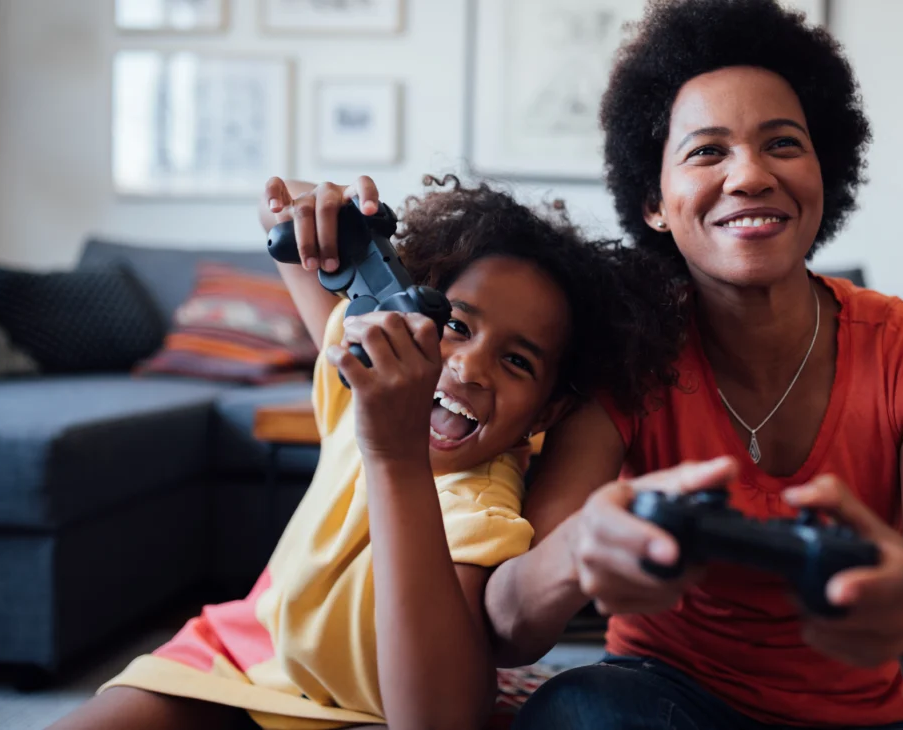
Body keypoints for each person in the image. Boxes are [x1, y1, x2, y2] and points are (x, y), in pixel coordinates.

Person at [479, 1, 903, 728]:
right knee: (579, 707)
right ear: (654, 202)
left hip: (853, 719)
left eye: (783, 144)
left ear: (826, 172)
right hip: (656, 701)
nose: (751, 175)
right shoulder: (629, 354)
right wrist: (575, 549)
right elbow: (511, 630)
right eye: (706, 151)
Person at [49, 175, 681, 730]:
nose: (467, 366)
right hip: (243, 651)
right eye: (455, 325)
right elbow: (281, 207)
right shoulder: (365, 379)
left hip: (364, 708)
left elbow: (436, 720)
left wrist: (393, 450)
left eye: (516, 361)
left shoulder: (480, 513)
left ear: (540, 417)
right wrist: (339, 217)